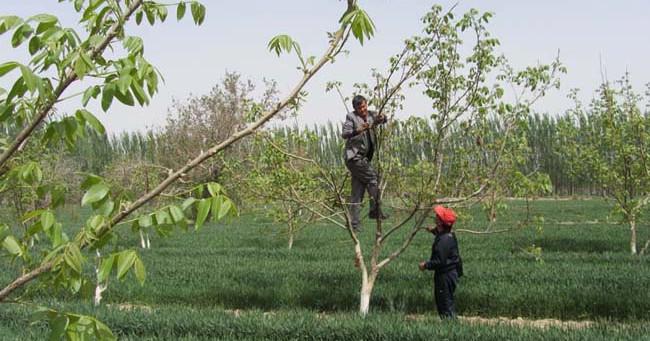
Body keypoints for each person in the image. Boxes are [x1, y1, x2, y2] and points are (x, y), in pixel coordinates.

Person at [341, 95, 388, 231]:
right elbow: (345, 134)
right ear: (355, 108)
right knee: (373, 178)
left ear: (366, 104)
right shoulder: (351, 117)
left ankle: (353, 224)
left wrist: (382, 117)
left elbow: (383, 119)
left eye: (364, 106)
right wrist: (358, 130)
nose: (363, 109)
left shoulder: (372, 114)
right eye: (359, 108)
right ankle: (374, 211)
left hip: (364, 159)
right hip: (355, 158)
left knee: (357, 192)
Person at [419, 205, 463, 319]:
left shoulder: (442, 242)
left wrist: (425, 265)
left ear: (440, 223)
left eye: (438, 217)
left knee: (444, 305)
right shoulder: (449, 235)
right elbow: (441, 234)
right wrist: (432, 230)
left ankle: (451, 328)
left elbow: (439, 261)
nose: (435, 217)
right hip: (451, 274)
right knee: (447, 301)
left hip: (445, 276)